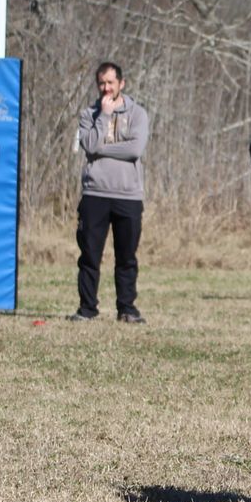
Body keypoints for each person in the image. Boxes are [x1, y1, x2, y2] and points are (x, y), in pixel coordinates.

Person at [71, 61, 150, 323]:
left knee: (126, 256)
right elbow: (89, 144)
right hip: (95, 194)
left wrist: (101, 149)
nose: (106, 88)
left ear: (121, 84)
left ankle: (126, 308)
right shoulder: (88, 114)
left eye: (111, 83)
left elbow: (134, 150)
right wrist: (103, 117)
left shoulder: (137, 113)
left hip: (128, 195)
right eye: (102, 83)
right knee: (90, 255)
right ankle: (87, 308)